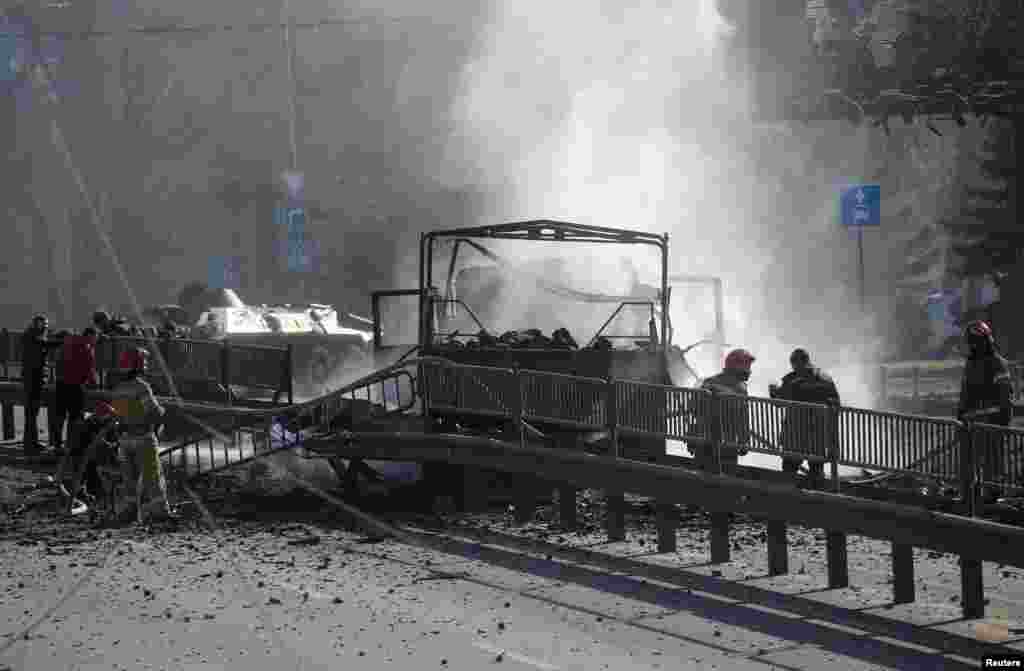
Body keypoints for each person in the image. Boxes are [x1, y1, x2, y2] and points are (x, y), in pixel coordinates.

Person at [110, 347, 173, 523]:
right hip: (143, 438)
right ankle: (159, 511)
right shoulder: (141, 387)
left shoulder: (118, 389)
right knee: (153, 476)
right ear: (138, 365)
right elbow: (154, 412)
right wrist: (163, 411)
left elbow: (117, 414)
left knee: (129, 479)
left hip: (124, 440)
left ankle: (129, 511)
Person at [956, 320, 1013, 501]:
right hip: (970, 424)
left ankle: (993, 495)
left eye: (973, 341)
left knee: (992, 461)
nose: (971, 346)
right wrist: (961, 413)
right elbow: (966, 392)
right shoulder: (971, 364)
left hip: (991, 423)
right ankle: (968, 495)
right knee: (968, 460)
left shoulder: (997, 363)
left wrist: (997, 419)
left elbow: (1004, 397)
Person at [770, 348, 841, 487]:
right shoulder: (826, 379)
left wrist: (773, 391)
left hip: (794, 436)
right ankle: (817, 497)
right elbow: (835, 405)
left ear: (794, 363)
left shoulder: (792, 380)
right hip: (818, 436)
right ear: (808, 360)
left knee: (789, 470)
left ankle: (788, 499)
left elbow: (778, 403)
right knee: (816, 470)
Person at [688, 348, 755, 474]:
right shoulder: (740, 389)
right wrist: (744, 442)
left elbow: (693, 409)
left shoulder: (708, 382)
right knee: (727, 476)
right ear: (737, 366)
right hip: (727, 444)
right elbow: (742, 419)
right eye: (747, 366)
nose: (749, 371)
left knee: (701, 476)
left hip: (702, 441)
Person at [20, 314, 59, 454]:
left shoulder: (30, 336)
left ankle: (31, 442)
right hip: (33, 380)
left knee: (31, 414)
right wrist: (61, 341)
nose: (46, 328)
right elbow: (44, 345)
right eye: (44, 325)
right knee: (31, 413)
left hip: (32, 380)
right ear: (37, 325)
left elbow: (43, 346)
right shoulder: (32, 338)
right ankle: (31, 444)